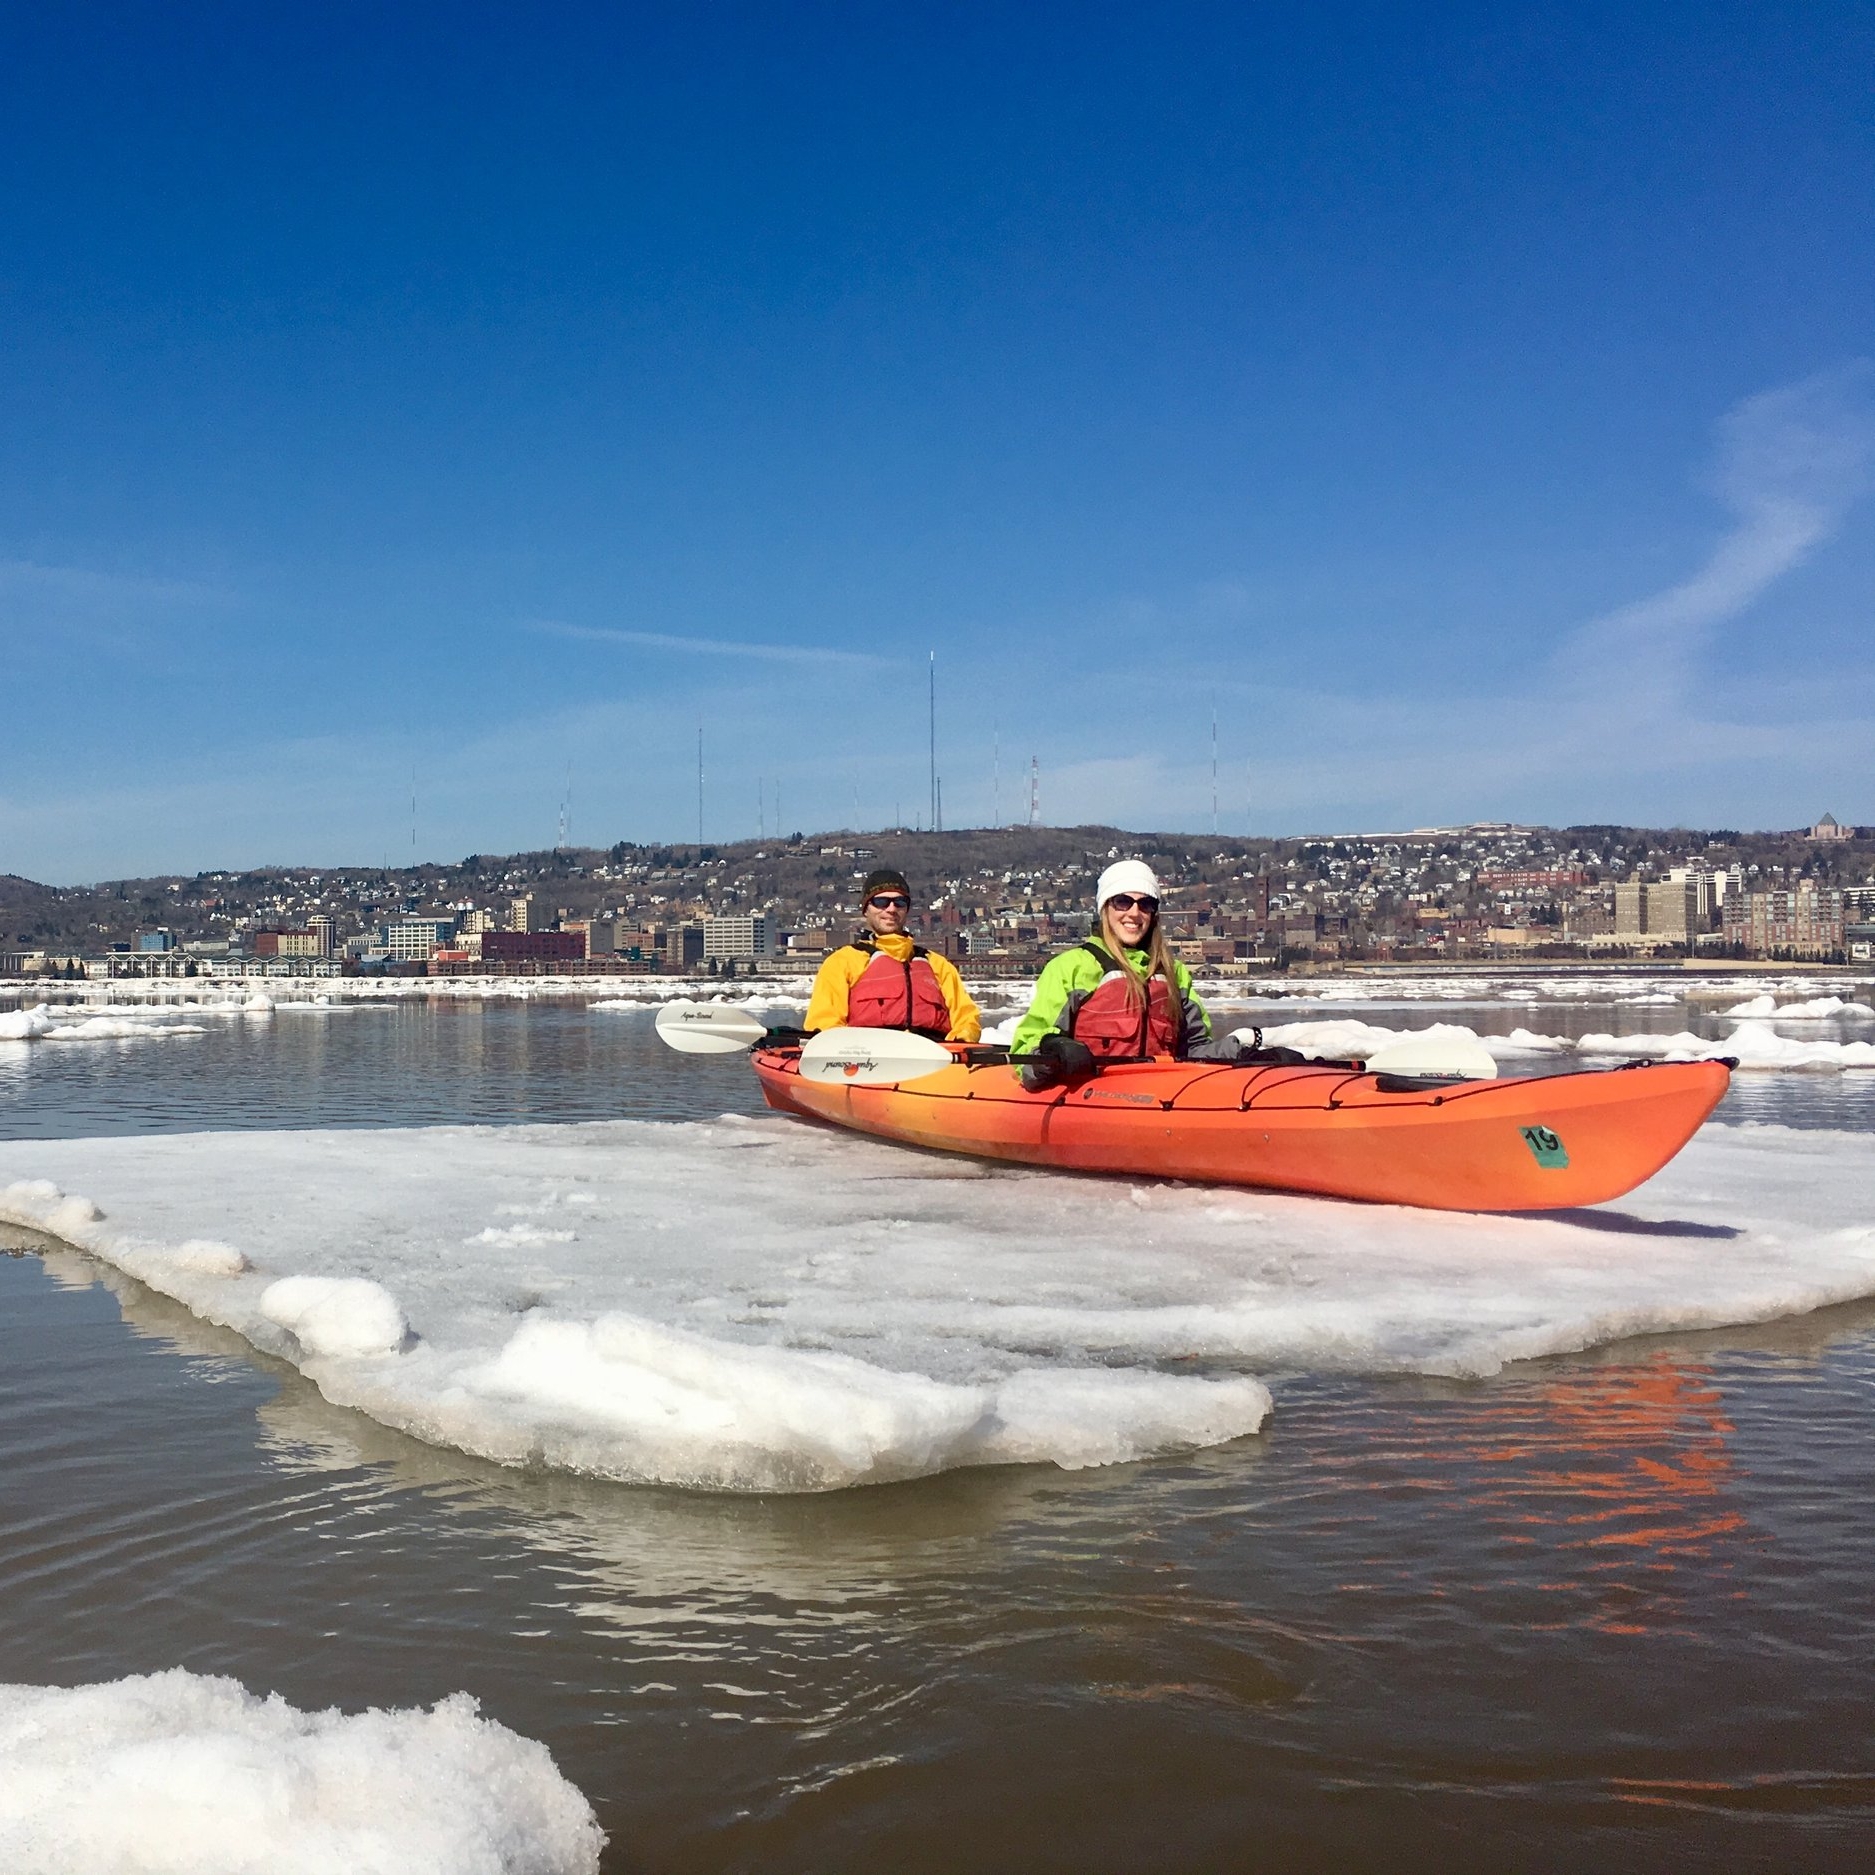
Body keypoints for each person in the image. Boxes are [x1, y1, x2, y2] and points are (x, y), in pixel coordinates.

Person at [1010, 860, 1213, 1087]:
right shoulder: (1071, 968)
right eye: (1123, 902)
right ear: (1105, 907)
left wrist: (1240, 1048)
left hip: (1162, 1096)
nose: (1135, 913)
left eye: (1145, 904)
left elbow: (1198, 1049)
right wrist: (1052, 1047)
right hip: (1091, 1098)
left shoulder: (1175, 974)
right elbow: (1026, 1049)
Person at [803, 866, 982, 1043]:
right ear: (866, 909)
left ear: (907, 909)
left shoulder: (938, 965)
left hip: (930, 1059)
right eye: (881, 902)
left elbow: (966, 1019)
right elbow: (824, 1023)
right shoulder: (842, 962)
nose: (891, 909)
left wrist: (963, 1037)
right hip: (867, 1061)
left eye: (900, 902)